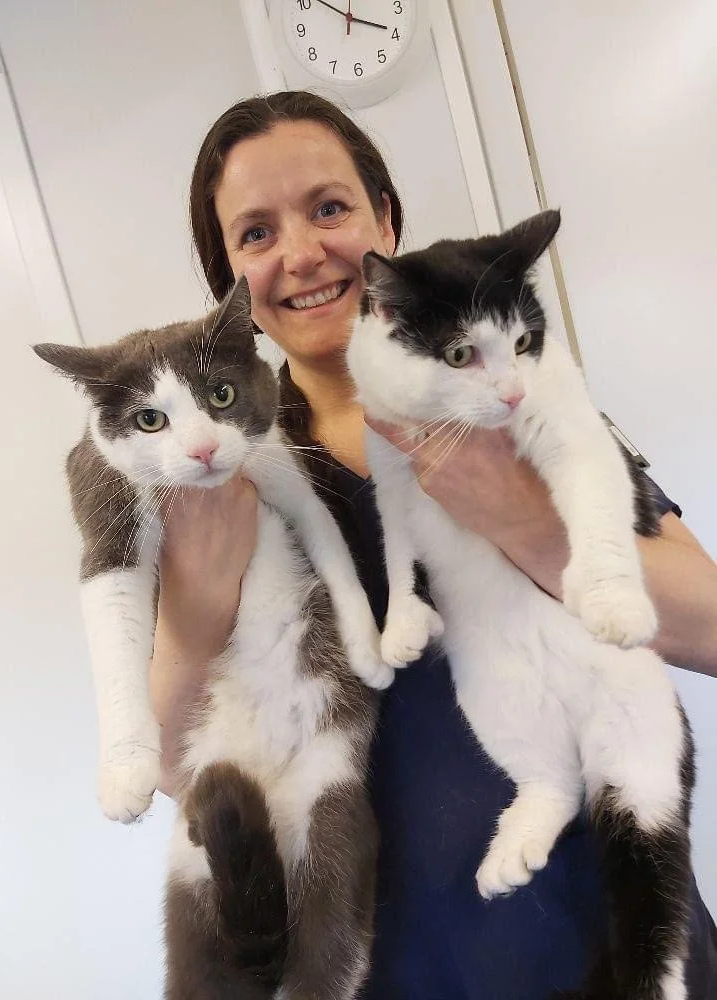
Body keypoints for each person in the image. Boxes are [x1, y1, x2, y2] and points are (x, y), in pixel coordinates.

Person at [150, 90, 717, 997]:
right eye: (255, 234)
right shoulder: (224, 475)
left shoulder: (514, 398)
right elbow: (173, 772)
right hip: (404, 969)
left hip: (619, 941)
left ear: (385, 220)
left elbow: (712, 626)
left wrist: (522, 520)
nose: (301, 253)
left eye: (328, 208)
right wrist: (203, 597)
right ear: (231, 280)